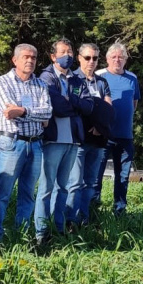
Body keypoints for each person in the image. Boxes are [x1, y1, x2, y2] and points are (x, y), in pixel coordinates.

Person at [0, 44, 52, 243]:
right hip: (12, 143)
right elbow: (8, 112)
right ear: (14, 60)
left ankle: (21, 236)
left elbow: (48, 113)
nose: (30, 60)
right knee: (3, 193)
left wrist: (22, 111)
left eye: (33, 57)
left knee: (28, 194)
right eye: (26, 57)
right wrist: (34, 115)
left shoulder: (41, 84)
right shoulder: (3, 81)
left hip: (35, 144)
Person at [34, 38, 94, 243]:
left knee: (63, 187)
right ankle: (42, 232)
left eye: (70, 52)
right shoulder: (46, 77)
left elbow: (89, 106)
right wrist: (74, 106)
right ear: (53, 56)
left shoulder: (77, 80)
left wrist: (71, 101)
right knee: (46, 188)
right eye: (63, 52)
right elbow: (56, 106)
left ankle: (58, 228)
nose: (67, 55)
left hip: (73, 140)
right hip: (53, 140)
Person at [67, 43, 114, 226]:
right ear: (79, 58)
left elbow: (108, 110)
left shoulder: (102, 82)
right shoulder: (71, 79)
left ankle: (84, 221)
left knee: (90, 183)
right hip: (78, 139)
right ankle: (70, 222)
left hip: (98, 140)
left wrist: (100, 127)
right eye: (87, 58)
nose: (91, 61)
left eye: (95, 58)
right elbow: (71, 107)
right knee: (74, 183)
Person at [96, 42, 140, 215]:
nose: (117, 60)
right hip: (102, 135)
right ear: (107, 59)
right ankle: (93, 211)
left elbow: (134, 104)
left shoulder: (132, 78)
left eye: (121, 57)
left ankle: (120, 212)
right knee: (96, 174)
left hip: (125, 135)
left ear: (125, 60)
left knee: (123, 176)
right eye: (113, 57)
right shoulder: (99, 75)